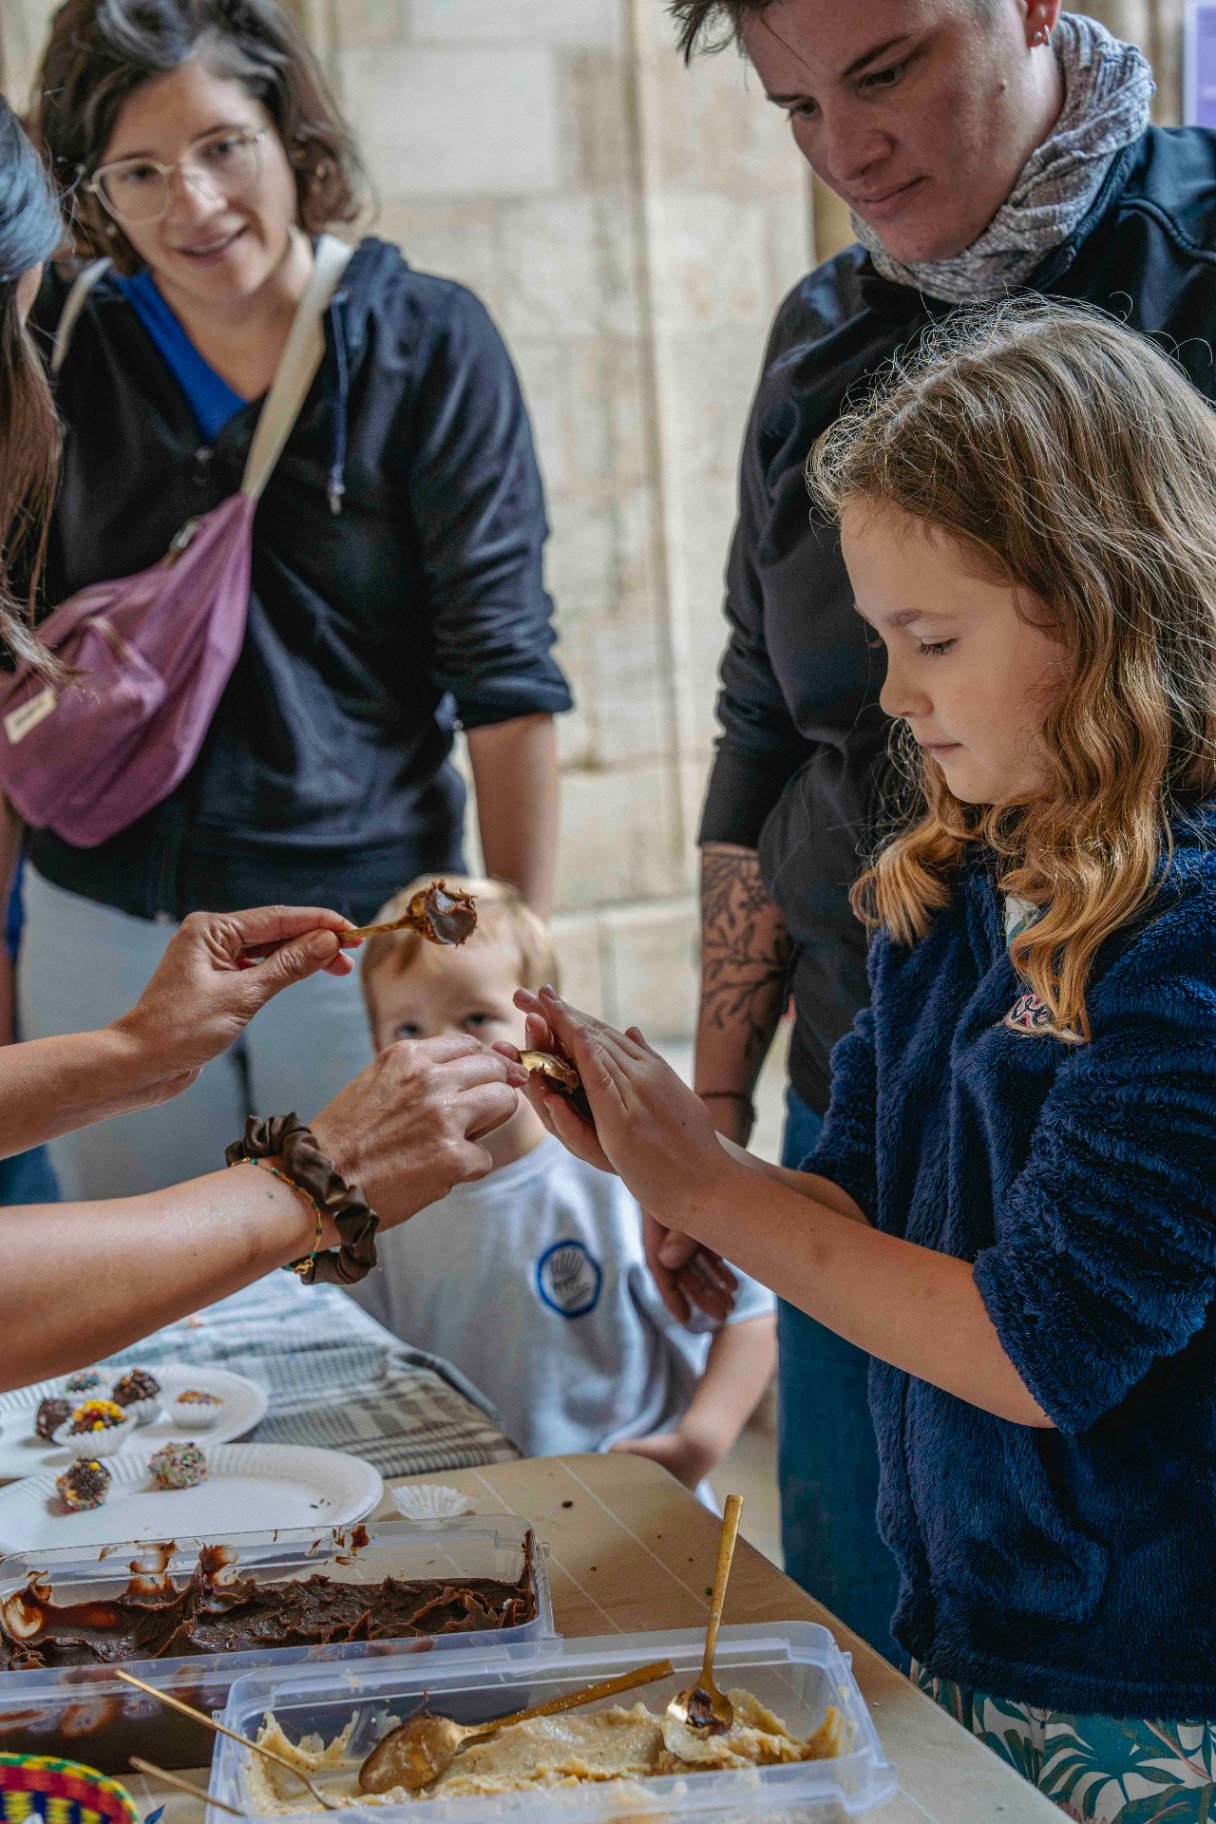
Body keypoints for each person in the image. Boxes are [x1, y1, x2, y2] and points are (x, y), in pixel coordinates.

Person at [516, 301, 1216, 1819]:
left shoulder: (1190, 934)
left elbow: (1038, 1351)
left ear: (1100, 604)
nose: (894, 696)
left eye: (933, 642)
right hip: (970, 1622)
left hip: (1157, 1685)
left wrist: (709, 1184)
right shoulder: (954, 881)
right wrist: (681, 1170)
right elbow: (858, 1218)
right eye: (882, 642)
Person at [667, 0, 1216, 1659]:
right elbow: (762, 723)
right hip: (890, 1070)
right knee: (894, 1627)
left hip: (1123, 1091)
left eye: (885, 70)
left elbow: (1039, 1341)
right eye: (793, 108)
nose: (844, 149)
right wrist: (707, 1113)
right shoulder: (816, 338)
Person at [0, 93, 526, 1392]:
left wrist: (129, 1058)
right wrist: (309, 1185)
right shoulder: (93, 342)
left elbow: (508, 665)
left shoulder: (419, 337)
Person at [351, 875, 776, 1494]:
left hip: (631, 1504)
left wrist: (698, 1442)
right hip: (467, 1508)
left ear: (539, 1031)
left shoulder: (619, 1173)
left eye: (475, 1017)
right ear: (378, 1050)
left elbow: (751, 1311)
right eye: (408, 1030)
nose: (442, 1050)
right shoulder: (383, 1202)